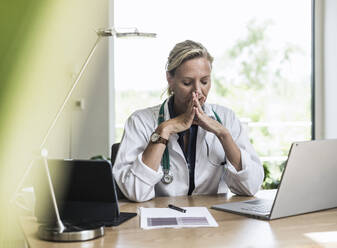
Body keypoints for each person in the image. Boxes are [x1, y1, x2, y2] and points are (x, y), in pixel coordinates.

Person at [113, 40, 264, 202]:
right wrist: (164, 130)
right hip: (162, 221)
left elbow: (250, 187)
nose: (197, 91)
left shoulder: (227, 119)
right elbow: (135, 192)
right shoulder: (140, 121)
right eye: (187, 82)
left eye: (204, 82)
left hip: (216, 220)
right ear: (170, 79)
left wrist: (223, 135)